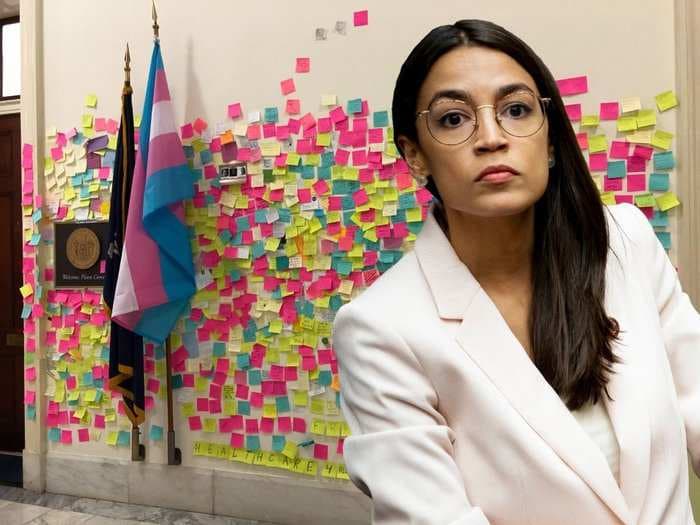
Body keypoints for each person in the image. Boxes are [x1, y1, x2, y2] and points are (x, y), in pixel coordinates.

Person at [332, 19, 700, 525]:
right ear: (415, 155)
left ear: (549, 141)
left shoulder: (625, 241)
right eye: (454, 119)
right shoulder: (380, 327)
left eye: (516, 110)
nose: (491, 137)